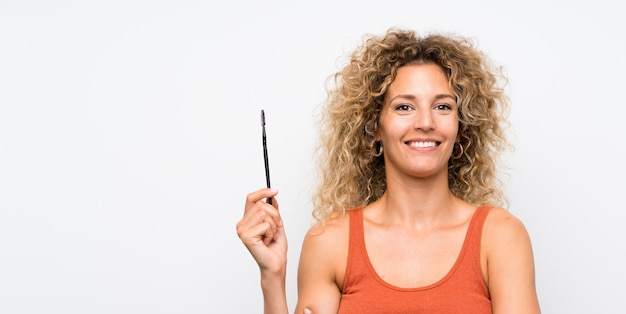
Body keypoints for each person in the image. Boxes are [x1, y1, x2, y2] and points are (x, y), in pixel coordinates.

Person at [236, 28, 540, 313]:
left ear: (460, 129)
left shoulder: (500, 236)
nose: (425, 122)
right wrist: (272, 276)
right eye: (404, 107)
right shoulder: (330, 241)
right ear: (374, 129)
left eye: (443, 107)